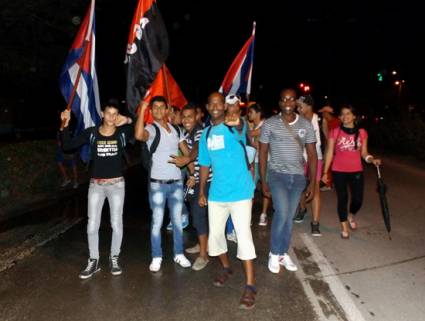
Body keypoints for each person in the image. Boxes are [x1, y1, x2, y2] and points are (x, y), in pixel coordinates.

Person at [60, 98, 133, 279]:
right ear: (102, 114)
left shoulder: (122, 133)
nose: (111, 117)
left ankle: (114, 257)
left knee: (117, 224)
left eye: (115, 114)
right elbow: (68, 146)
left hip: (117, 185)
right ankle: (94, 260)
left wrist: (129, 120)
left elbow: (140, 129)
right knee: (92, 225)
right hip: (96, 185)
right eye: (108, 113)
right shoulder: (92, 133)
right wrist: (65, 125)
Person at [198, 92, 257, 310]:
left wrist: (240, 122)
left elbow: (243, 129)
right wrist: (202, 190)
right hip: (217, 194)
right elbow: (204, 164)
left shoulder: (236, 126)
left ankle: (250, 286)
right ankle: (226, 267)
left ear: (224, 106)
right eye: (211, 103)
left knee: (243, 236)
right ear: (207, 107)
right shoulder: (205, 134)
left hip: (241, 193)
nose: (215, 106)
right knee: (215, 236)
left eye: (218, 103)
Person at [259, 88, 317, 274]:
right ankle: (274, 253)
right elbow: (262, 152)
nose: (288, 103)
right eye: (284, 99)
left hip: (298, 177)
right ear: (279, 103)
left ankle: (282, 253)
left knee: (289, 217)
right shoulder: (269, 124)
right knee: (282, 213)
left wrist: (314, 183)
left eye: (291, 99)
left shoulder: (306, 125)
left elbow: (312, 154)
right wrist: (263, 180)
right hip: (277, 175)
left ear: (296, 103)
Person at [134, 96, 191, 272]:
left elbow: (187, 153)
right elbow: (138, 135)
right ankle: (156, 256)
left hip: (176, 183)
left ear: (167, 110)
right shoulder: (150, 129)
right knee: (157, 222)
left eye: (162, 107)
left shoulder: (176, 130)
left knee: (176, 221)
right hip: (157, 184)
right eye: (155, 108)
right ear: (151, 111)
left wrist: (192, 172)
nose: (159, 110)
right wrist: (142, 111)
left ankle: (179, 253)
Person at [322, 104, 381, 239]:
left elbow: (364, 153)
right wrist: (325, 172)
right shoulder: (335, 131)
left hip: (356, 170)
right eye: (342, 114)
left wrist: (372, 160)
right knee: (342, 199)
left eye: (348, 113)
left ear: (354, 116)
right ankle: (344, 227)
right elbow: (330, 152)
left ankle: (351, 215)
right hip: (338, 170)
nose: (345, 116)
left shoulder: (362, 132)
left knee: (358, 200)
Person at [169, 103, 213, 271]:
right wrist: (191, 175)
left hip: (206, 181)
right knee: (197, 215)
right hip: (196, 178)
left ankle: (204, 255)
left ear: (197, 116)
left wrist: (188, 162)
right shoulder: (187, 132)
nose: (186, 119)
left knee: (199, 215)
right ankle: (202, 244)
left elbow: (197, 150)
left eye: (190, 116)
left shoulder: (200, 131)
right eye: (184, 116)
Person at [294, 95, 322, 236]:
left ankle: (315, 223)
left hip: (316, 159)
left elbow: (329, 141)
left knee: (315, 190)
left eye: (300, 106)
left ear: (309, 106)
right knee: (300, 189)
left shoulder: (319, 120)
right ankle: (303, 209)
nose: (298, 109)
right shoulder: (297, 121)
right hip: (300, 160)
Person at [247, 103, 270, 226]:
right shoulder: (253, 126)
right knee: (250, 188)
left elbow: (251, 137)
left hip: (266, 162)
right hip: (254, 161)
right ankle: (248, 216)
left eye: (251, 112)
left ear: (258, 113)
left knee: (265, 187)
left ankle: (264, 214)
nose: (248, 114)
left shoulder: (265, 125)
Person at [318, 105, 340, 191]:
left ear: (327, 113)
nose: (322, 114)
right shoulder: (327, 121)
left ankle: (328, 184)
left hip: (335, 148)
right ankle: (330, 183)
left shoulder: (337, 122)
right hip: (330, 147)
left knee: (329, 165)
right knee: (330, 165)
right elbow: (326, 136)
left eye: (323, 113)